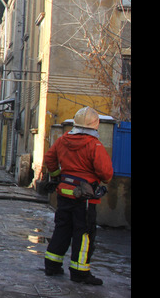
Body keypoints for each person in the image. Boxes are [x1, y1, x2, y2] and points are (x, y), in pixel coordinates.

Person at [41, 106, 113, 285]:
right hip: (84, 198)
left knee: (62, 228)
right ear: (95, 125)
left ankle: (52, 265)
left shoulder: (63, 140)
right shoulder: (94, 145)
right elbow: (106, 173)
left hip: (64, 192)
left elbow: (50, 158)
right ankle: (80, 272)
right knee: (84, 233)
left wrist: (57, 175)